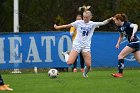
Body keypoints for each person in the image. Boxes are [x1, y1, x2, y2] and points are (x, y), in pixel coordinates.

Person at [54, 10, 112, 78]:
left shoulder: (92, 24)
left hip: (86, 46)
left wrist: (109, 19)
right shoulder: (78, 22)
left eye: (86, 17)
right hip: (77, 44)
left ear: (90, 17)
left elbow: (103, 23)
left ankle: (84, 73)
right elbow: (67, 25)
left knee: (88, 65)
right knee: (69, 63)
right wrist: (58, 27)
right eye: (84, 17)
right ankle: (66, 54)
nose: (85, 18)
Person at [111, 13, 140, 78]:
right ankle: (120, 73)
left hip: (134, 42)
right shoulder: (119, 27)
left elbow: (135, 25)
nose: (115, 22)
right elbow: (121, 36)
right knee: (139, 60)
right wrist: (118, 43)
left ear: (119, 20)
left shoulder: (127, 24)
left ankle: (120, 73)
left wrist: (133, 33)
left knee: (120, 56)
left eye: (115, 21)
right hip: (136, 43)